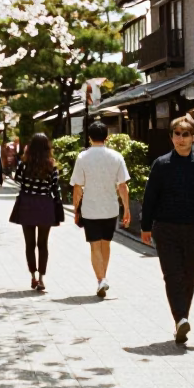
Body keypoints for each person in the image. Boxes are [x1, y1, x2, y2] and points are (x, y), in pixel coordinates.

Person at [141, 114, 194, 345]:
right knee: (172, 275)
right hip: (165, 229)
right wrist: (145, 226)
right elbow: (150, 198)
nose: (181, 139)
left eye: (185, 134)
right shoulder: (161, 165)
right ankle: (180, 318)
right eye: (177, 134)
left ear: (193, 138)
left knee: (188, 276)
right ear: (171, 138)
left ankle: (182, 319)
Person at [70, 120, 131, 299]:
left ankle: (101, 279)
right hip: (111, 208)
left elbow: (77, 187)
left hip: (90, 208)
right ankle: (103, 277)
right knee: (106, 243)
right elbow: (122, 185)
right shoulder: (116, 156)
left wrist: (76, 210)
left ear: (89, 138)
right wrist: (126, 208)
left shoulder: (82, 157)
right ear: (107, 137)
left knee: (94, 245)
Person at [9, 133, 64, 291]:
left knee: (29, 244)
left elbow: (17, 179)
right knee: (43, 244)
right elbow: (55, 187)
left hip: (27, 202)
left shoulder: (24, 164)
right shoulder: (51, 165)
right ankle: (41, 278)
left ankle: (32, 276)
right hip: (45, 204)